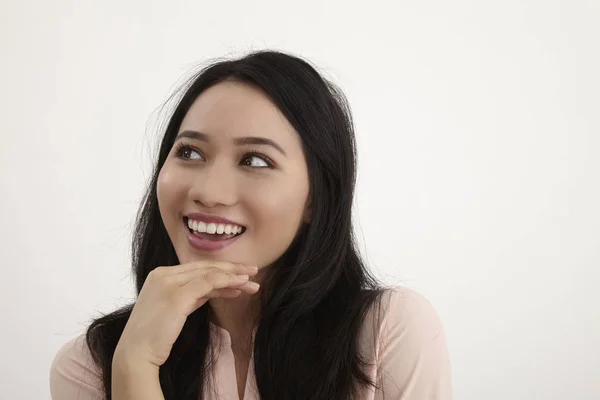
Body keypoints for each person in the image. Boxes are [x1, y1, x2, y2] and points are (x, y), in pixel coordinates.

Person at [49, 50, 452, 400]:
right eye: (189, 151)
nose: (209, 191)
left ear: (315, 197)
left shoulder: (389, 333)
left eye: (255, 160)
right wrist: (135, 366)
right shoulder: (92, 365)